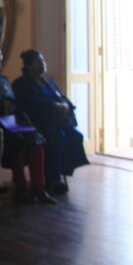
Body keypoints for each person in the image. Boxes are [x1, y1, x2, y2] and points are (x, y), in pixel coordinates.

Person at [0, 45, 55, 205]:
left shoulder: (3, 80)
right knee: (18, 142)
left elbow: (15, 103)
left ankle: (38, 186)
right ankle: (21, 186)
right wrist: (1, 106)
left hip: (10, 120)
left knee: (35, 139)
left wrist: (23, 117)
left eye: (0, 57)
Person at [13, 49, 89, 194]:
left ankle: (62, 172)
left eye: (43, 61)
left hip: (55, 121)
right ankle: (52, 178)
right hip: (37, 122)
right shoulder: (22, 84)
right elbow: (31, 104)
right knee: (57, 137)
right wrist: (53, 106)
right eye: (38, 62)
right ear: (29, 65)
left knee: (75, 136)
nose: (42, 64)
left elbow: (61, 97)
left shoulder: (48, 81)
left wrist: (67, 105)